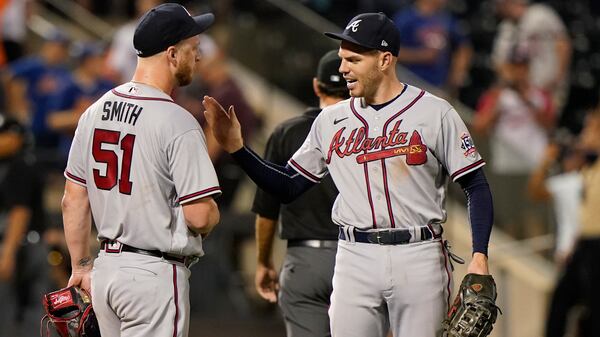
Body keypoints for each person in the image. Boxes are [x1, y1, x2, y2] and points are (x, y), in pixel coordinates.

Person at [203, 12, 494, 337]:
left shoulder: (435, 112)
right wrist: (238, 149)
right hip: (355, 255)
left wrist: (479, 255)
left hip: (420, 253)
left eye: (353, 59)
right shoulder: (330, 121)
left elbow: (476, 185)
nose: (343, 68)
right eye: (342, 59)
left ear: (385, 60)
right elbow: (287, 186)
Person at [61, 4, 221, 336]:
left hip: (105, 273)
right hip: (153, 276)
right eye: (193, 49)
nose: (199, 58)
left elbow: (73, 198)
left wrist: (80, 266)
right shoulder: (177, 120)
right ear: (173, 54)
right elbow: (199, 217)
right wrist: (213, 213)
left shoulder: (94, 111)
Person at [252, 50, 348, 337]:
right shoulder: (370, 131)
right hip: (359, 257)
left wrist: (263, 262)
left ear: (317, 86)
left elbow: (267, 210)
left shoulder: (287, 132)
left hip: (305, 260)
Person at [472, 47, 555, 238]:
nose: (520, 71)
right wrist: (497, 101)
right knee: (510, 218)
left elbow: (550, 125)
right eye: (516, 67)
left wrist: (528, 100)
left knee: (535, 218)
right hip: (506, 166)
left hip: (533, 167)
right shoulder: (496, 95)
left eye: (523, 67)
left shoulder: (539, 95)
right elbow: (479, 127)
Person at [545, 110, 600, 337]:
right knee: (561, 300)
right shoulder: (588, 169)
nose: (584, 135)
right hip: (584, 245)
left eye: (590, 130)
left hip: (597, 246)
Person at [0, 113, 50, 337]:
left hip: (22, 247)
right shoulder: (21, 163)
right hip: (27, 245)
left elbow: (20, 212)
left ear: (15, 137)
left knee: (15, 314)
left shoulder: (20, 165)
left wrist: (7, 253)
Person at [492, 0, 571, 113]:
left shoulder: (541, 14)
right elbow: (499, 63)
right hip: (519, 92)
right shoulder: (506, 28)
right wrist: (517, 86)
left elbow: (563, 44)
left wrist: (557, 78)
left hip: (548, 88)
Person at [393, 0, 472, 96]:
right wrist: (420, 55)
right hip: (408, 82)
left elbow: (464, 47)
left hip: (437, 87)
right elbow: (391, 52)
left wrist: (458, 72)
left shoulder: (446, 20)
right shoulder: (405, 19)